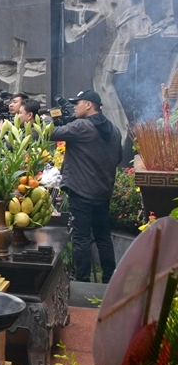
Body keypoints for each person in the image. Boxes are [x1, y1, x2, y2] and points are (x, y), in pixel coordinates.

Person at [49, 90, 123, 283]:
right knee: (103, 237)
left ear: (89, 105)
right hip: (102, 193)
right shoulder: (114, 130)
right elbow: (118, 158)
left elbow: (52, 133)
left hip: (81, 193)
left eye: (78, 103)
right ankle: (109, 279)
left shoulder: (82, 126)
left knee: (81, 237)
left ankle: (82, 281)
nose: (75, 106)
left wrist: (42, 121)